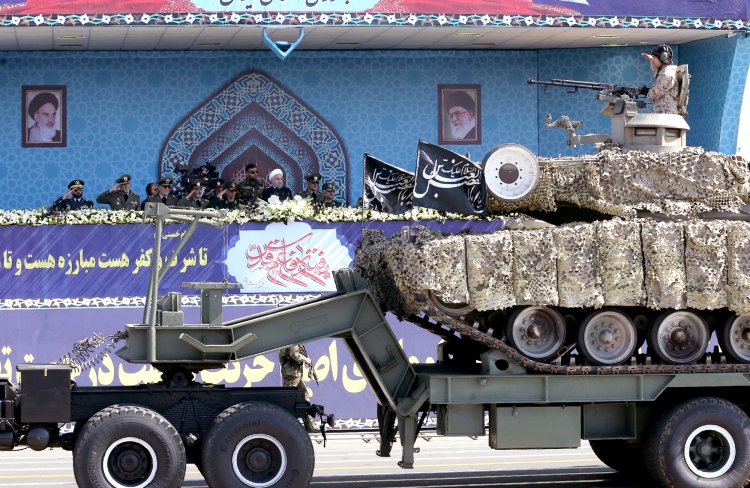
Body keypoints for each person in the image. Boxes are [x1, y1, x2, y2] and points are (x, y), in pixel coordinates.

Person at [278, 344, 318, 433]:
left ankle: (310, 425)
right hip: (292, 374)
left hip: (295, 373)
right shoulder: (293, 340)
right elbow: (294, 354)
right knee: (288, 400)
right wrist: (306, 359)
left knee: (305, 397)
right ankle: (285, 426)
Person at [641, 44, 680, 115]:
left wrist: (647, 93)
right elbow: (656, 72)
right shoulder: (666, 71)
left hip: (666, 113)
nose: (652, 60)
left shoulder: (667, 74)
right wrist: (651, 59)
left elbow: (655, 94)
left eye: (654, 57)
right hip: (663, 111)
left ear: (663, 58)